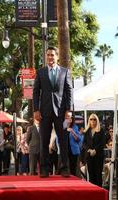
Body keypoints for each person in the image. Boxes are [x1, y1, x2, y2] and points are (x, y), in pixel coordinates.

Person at [33, 46, 73, 177]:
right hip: (44, 112)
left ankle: (65, 168)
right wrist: (36, 110)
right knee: (44, 141)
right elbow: (35, 92)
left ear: (57, 56)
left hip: (61, 112)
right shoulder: (40, 72)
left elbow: (69, 91)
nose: (50, 57)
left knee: (63, 141)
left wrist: (69, 109)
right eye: (48, 55)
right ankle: (44, 169)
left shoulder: (65, 71)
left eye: (52, 55)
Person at [80, 113, 106, 187]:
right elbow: (84, 143)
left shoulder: (101, 130)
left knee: (98, 175)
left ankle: (99, 193)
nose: (93, 121)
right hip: (89, 156)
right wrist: (89, 150)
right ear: (89, 120)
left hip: (98, 156)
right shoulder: (87, 131)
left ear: (97, 120)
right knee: (91, 175)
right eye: (91, 119)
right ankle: (93, 192)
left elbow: (102, 142)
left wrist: (95, 150)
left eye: (94, 119)